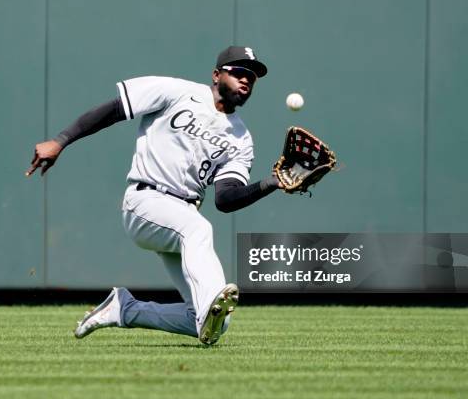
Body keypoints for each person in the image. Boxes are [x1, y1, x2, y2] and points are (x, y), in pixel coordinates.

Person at [26, 46, 283, 345]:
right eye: (239, 72)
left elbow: (225, 199)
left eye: (252, 76)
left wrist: (272, 183)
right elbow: (113, 110)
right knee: (198, 230)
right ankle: (209, 303)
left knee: (213, 322)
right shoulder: (176, 91)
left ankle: (125, 310)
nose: (246, 80)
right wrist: (61, 141)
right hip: (145, 201)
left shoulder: (241, 139)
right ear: (216, 75)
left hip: (182, 215)